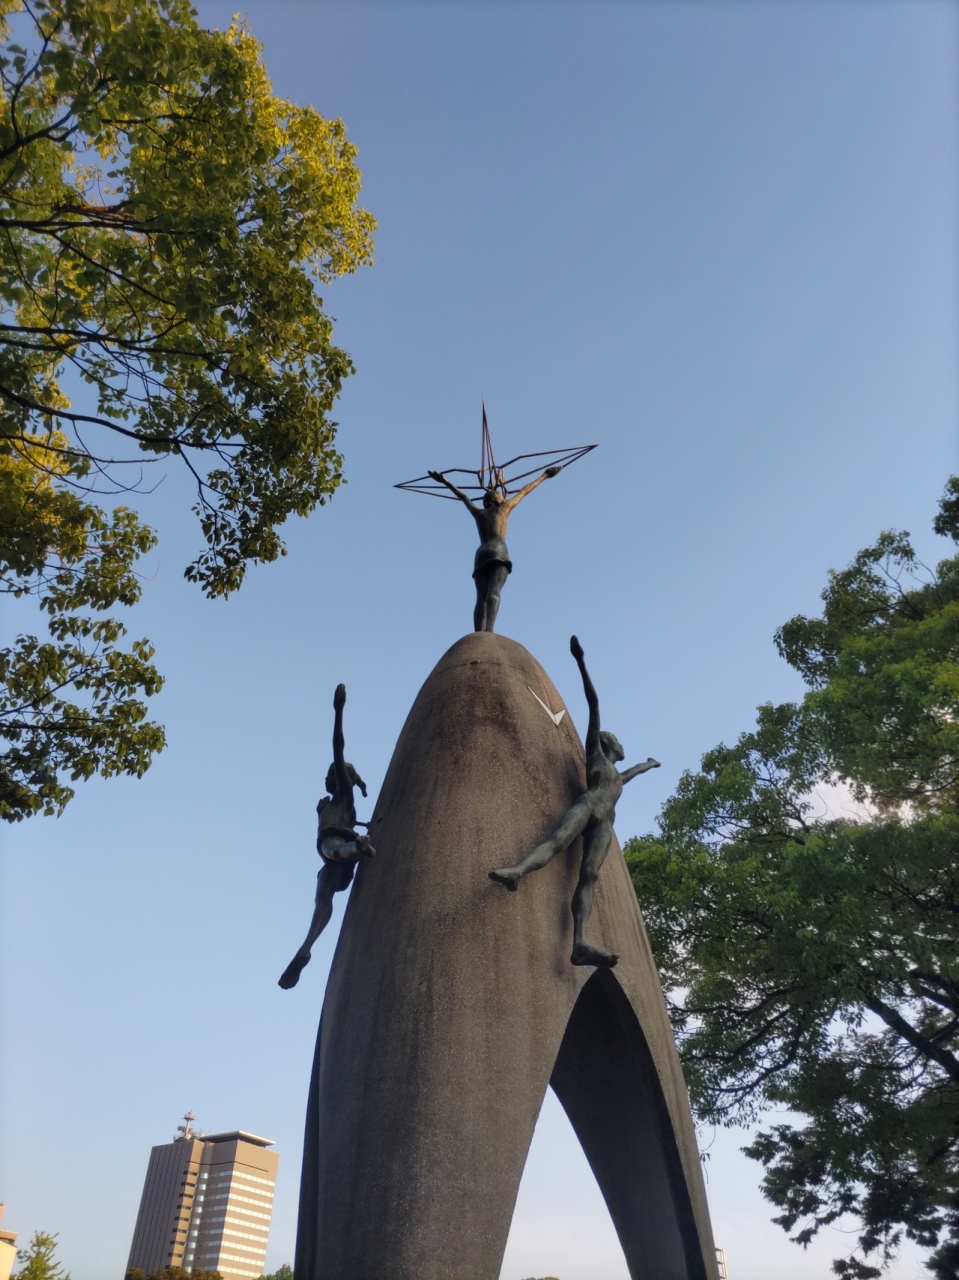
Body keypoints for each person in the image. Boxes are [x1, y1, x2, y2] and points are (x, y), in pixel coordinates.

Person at [489, 635, 660, 968]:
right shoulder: (595, 755)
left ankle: (579, 943)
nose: (622, 745)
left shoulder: (617, 775)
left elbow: (634, 772)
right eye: (619, 741)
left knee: (590, 874)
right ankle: (517, 871)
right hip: (589, 805)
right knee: (557, 841)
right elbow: (594, 704)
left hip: (605, 823)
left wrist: (650, 764)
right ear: (609, 743)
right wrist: (580, 662)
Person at [279, 684, 374, 989]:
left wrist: (338, 710)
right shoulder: (328, 806)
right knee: (322, 901)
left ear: (342, 777)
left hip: (336, 845)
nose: (326, 778)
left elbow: (338, 748)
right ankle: (306, 947)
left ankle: (358, 847)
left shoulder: (344, 794)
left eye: (331, 774)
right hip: (333, 859)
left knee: (335, 850)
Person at [427, 463, 562, 632]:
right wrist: (545, 475)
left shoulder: (478, 512)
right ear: (497, 500)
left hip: (481, 554)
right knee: (494, 590)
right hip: (498, 550)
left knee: (480, 597)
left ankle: (478, 633)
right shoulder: (503, 509)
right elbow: (524, 491)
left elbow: (463, 497)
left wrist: (445, 481)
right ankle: (489, 630)